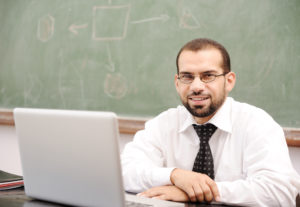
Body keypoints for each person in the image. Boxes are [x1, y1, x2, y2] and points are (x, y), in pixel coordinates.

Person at [121, 38, 300, 206]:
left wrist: (195, 192)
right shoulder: (163, 124)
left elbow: (280, 192)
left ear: (229, 81)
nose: (196, 87)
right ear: (177, 83)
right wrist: (175, 176)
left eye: (208, 76)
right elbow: (122, 172)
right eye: (187, 77)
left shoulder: (257, 123)